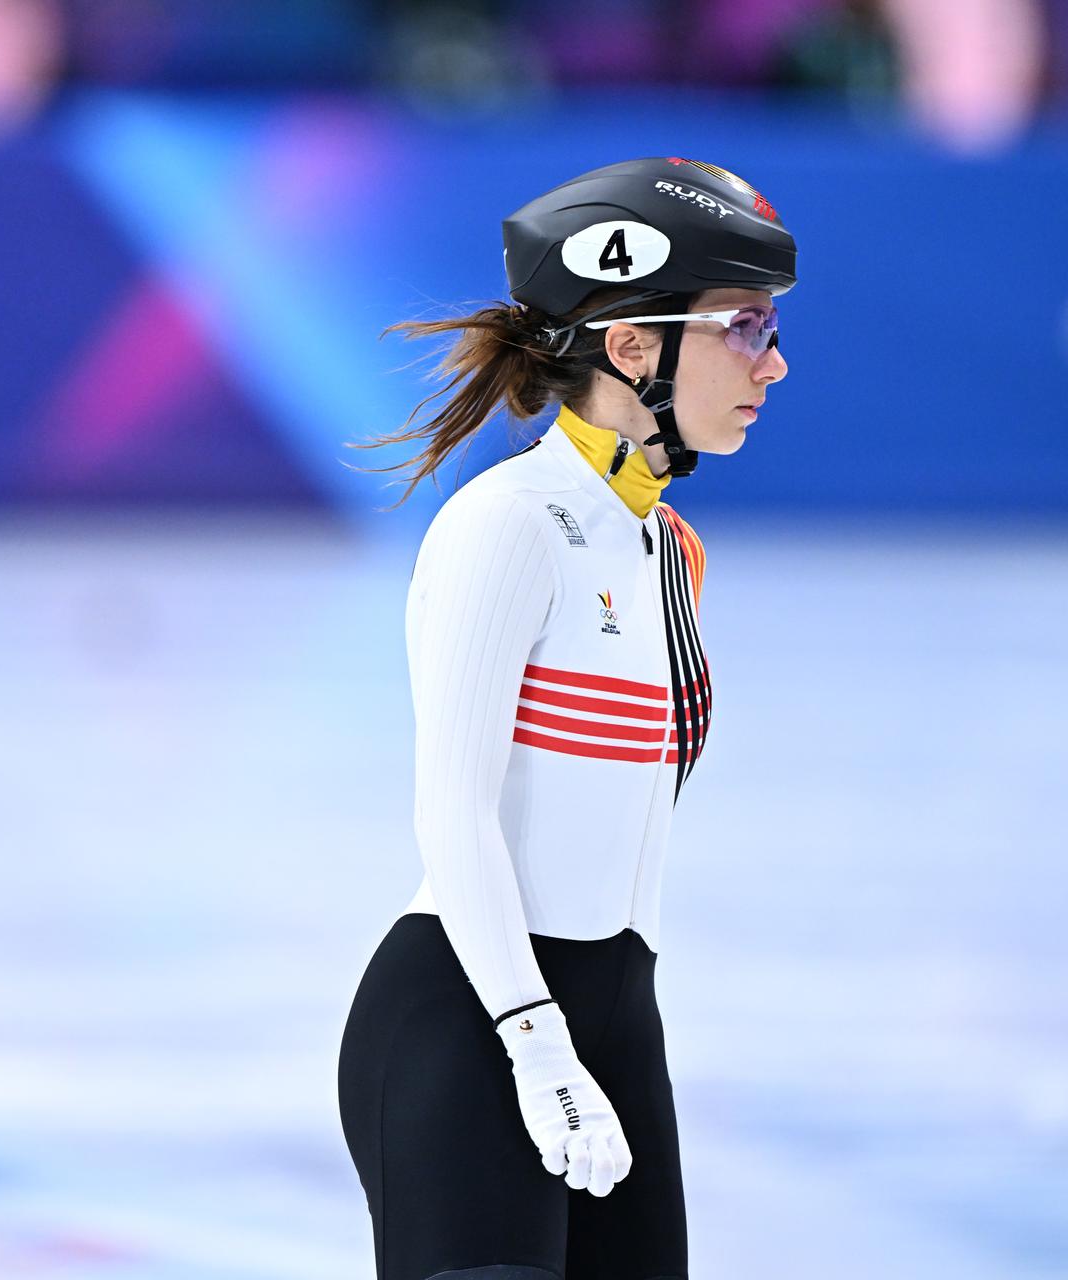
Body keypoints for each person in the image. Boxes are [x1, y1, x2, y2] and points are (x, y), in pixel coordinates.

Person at [335, 156, 797, 1280]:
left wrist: (588, 1038)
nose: (774, 363)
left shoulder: (663, 547)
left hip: (616, 1015)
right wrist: (534, 1040)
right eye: (742, 326)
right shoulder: (508, 525)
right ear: (633, 346)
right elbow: (454, 812)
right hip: (470, 1018)